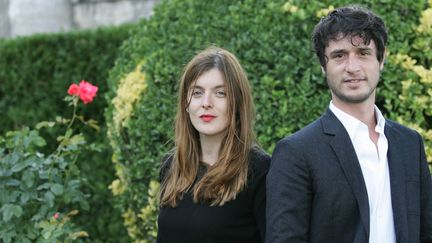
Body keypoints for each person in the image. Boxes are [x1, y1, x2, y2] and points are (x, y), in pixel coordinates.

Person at [266, 5, 432, 243]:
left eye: (363, 53)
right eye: (339, 55)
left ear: (381, 59)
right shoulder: (296, 153)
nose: (352, 67)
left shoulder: (410, 143)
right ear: (323, 66)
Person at [157, 46, 270, 243]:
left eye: (220, 93)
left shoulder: (259, 171)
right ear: (186, 103)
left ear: (237, 103)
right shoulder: (172, 166)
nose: (206, 103)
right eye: (197, 92)